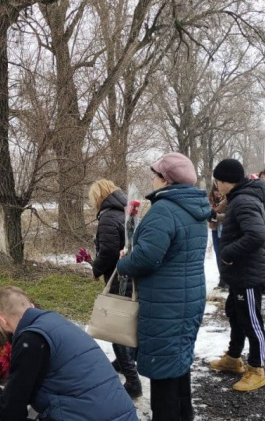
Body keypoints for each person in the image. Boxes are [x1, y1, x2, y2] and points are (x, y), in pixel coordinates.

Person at [116, 152, 209, 421]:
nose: (152, 179)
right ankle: (184, 415)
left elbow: (147, 258)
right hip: (187, 297)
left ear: (166, 180)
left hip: (165, 303)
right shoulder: (194, 209)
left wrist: (124, 263)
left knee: (163, 371)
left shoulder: (164, 210)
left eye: (155, 175)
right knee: (178, 362)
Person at [0, 286, 138, 421]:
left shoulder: (31, 339)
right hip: (121, 414)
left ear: (1, 320)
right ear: (31, 306)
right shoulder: (55, 323)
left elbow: (11, 411)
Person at [209, 158, 265, 392]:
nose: (216, 186)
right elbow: (242, 222)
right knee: (235, 314)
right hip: (239, 272)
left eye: (218, 181)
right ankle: (234, 358)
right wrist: (220, 218)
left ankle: (257, 369)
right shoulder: (239, 198)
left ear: (227, 181)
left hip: (247, 272)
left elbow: (256, 235)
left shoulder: (243, 199)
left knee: (251, 321)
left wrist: (227, 253)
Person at [87, 179, 142, 398]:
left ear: (99, 197)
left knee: (117, 326)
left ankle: (132, 381)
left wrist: (95, 269)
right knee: (129, 320)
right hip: (131, 275)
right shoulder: (126, 210)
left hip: (119, 276)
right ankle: (123, 362)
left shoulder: (109, 216)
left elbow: (109, 251)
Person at [208, 182, 227, 290]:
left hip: (225, 229)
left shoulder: (228, 199)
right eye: (215, 190)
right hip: (215, 229)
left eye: (219, 190)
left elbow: (231, 213)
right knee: (218, 254)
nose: (217, 193)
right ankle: (222, 279)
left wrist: (217, 216)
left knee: (224, 255)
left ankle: (226, 280)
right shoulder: (210, 200)